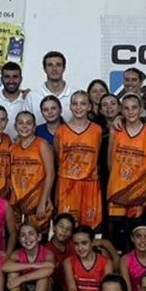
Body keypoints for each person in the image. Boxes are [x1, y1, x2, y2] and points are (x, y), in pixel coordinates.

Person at [106, 93, 146, 253]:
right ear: (121, 110)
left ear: (141, 109)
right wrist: (119, 182)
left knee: (139, 239)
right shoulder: (116, 131)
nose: (130, 112)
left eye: (134, 107)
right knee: (118, 241)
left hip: (139, 195)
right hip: (118, 193)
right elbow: (110, 162)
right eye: (126, 108)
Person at [54, 91, 103, 231]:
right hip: (67, 184)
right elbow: (59, 157)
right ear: (70, 106)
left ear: (89, 107)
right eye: (75, 104)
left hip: (90, 183)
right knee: (66, 226)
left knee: (89, 227)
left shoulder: (97, 130)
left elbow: (97, 155)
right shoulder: (61, 131)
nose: (79, 107)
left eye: (83, 104)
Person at [7, 110, 54, 234]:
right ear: (15, 126)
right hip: (17, 204)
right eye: (21, 123)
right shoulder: (12, 148)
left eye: (28, 123)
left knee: (37, 240)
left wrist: (44, 201)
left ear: (34, 127)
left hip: (37, 203)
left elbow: (50, 174)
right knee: (18, 241)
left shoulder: (42, 144)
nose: (24, 126)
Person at [0, 61, 34, 131]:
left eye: (15, 77)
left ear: (21, 79)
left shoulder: (29, 100)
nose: (11, 81)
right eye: (7, 77)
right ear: (1, 79)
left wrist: (30, 96)